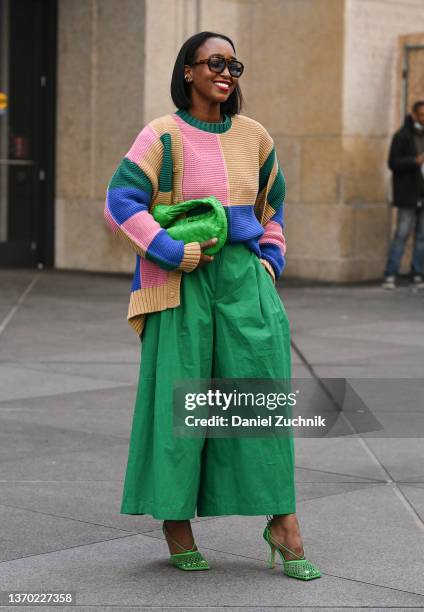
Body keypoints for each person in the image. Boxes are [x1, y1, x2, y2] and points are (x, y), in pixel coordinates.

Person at [104, 31, 320, 580]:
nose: (227, 72)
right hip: (182, 278)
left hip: (244, 278)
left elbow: (273, 207)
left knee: (261, 395)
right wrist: (169, 249)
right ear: (188, 71)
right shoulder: (162, 135)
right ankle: (176, 523)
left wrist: (269, 261)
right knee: (184, 398)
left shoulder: (255, 136)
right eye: (215, 62)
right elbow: (120, 200)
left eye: (234, 64)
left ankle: (284, 522)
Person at [382, 100, 424, 289]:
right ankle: (390, 274)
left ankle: (417, 273)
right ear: (414, 115)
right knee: (402, 234)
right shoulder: (402, 136)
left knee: (422, 237)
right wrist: (414, 161)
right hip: (408, 195)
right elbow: (393, 163)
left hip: (422, 194)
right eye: (421, 115)